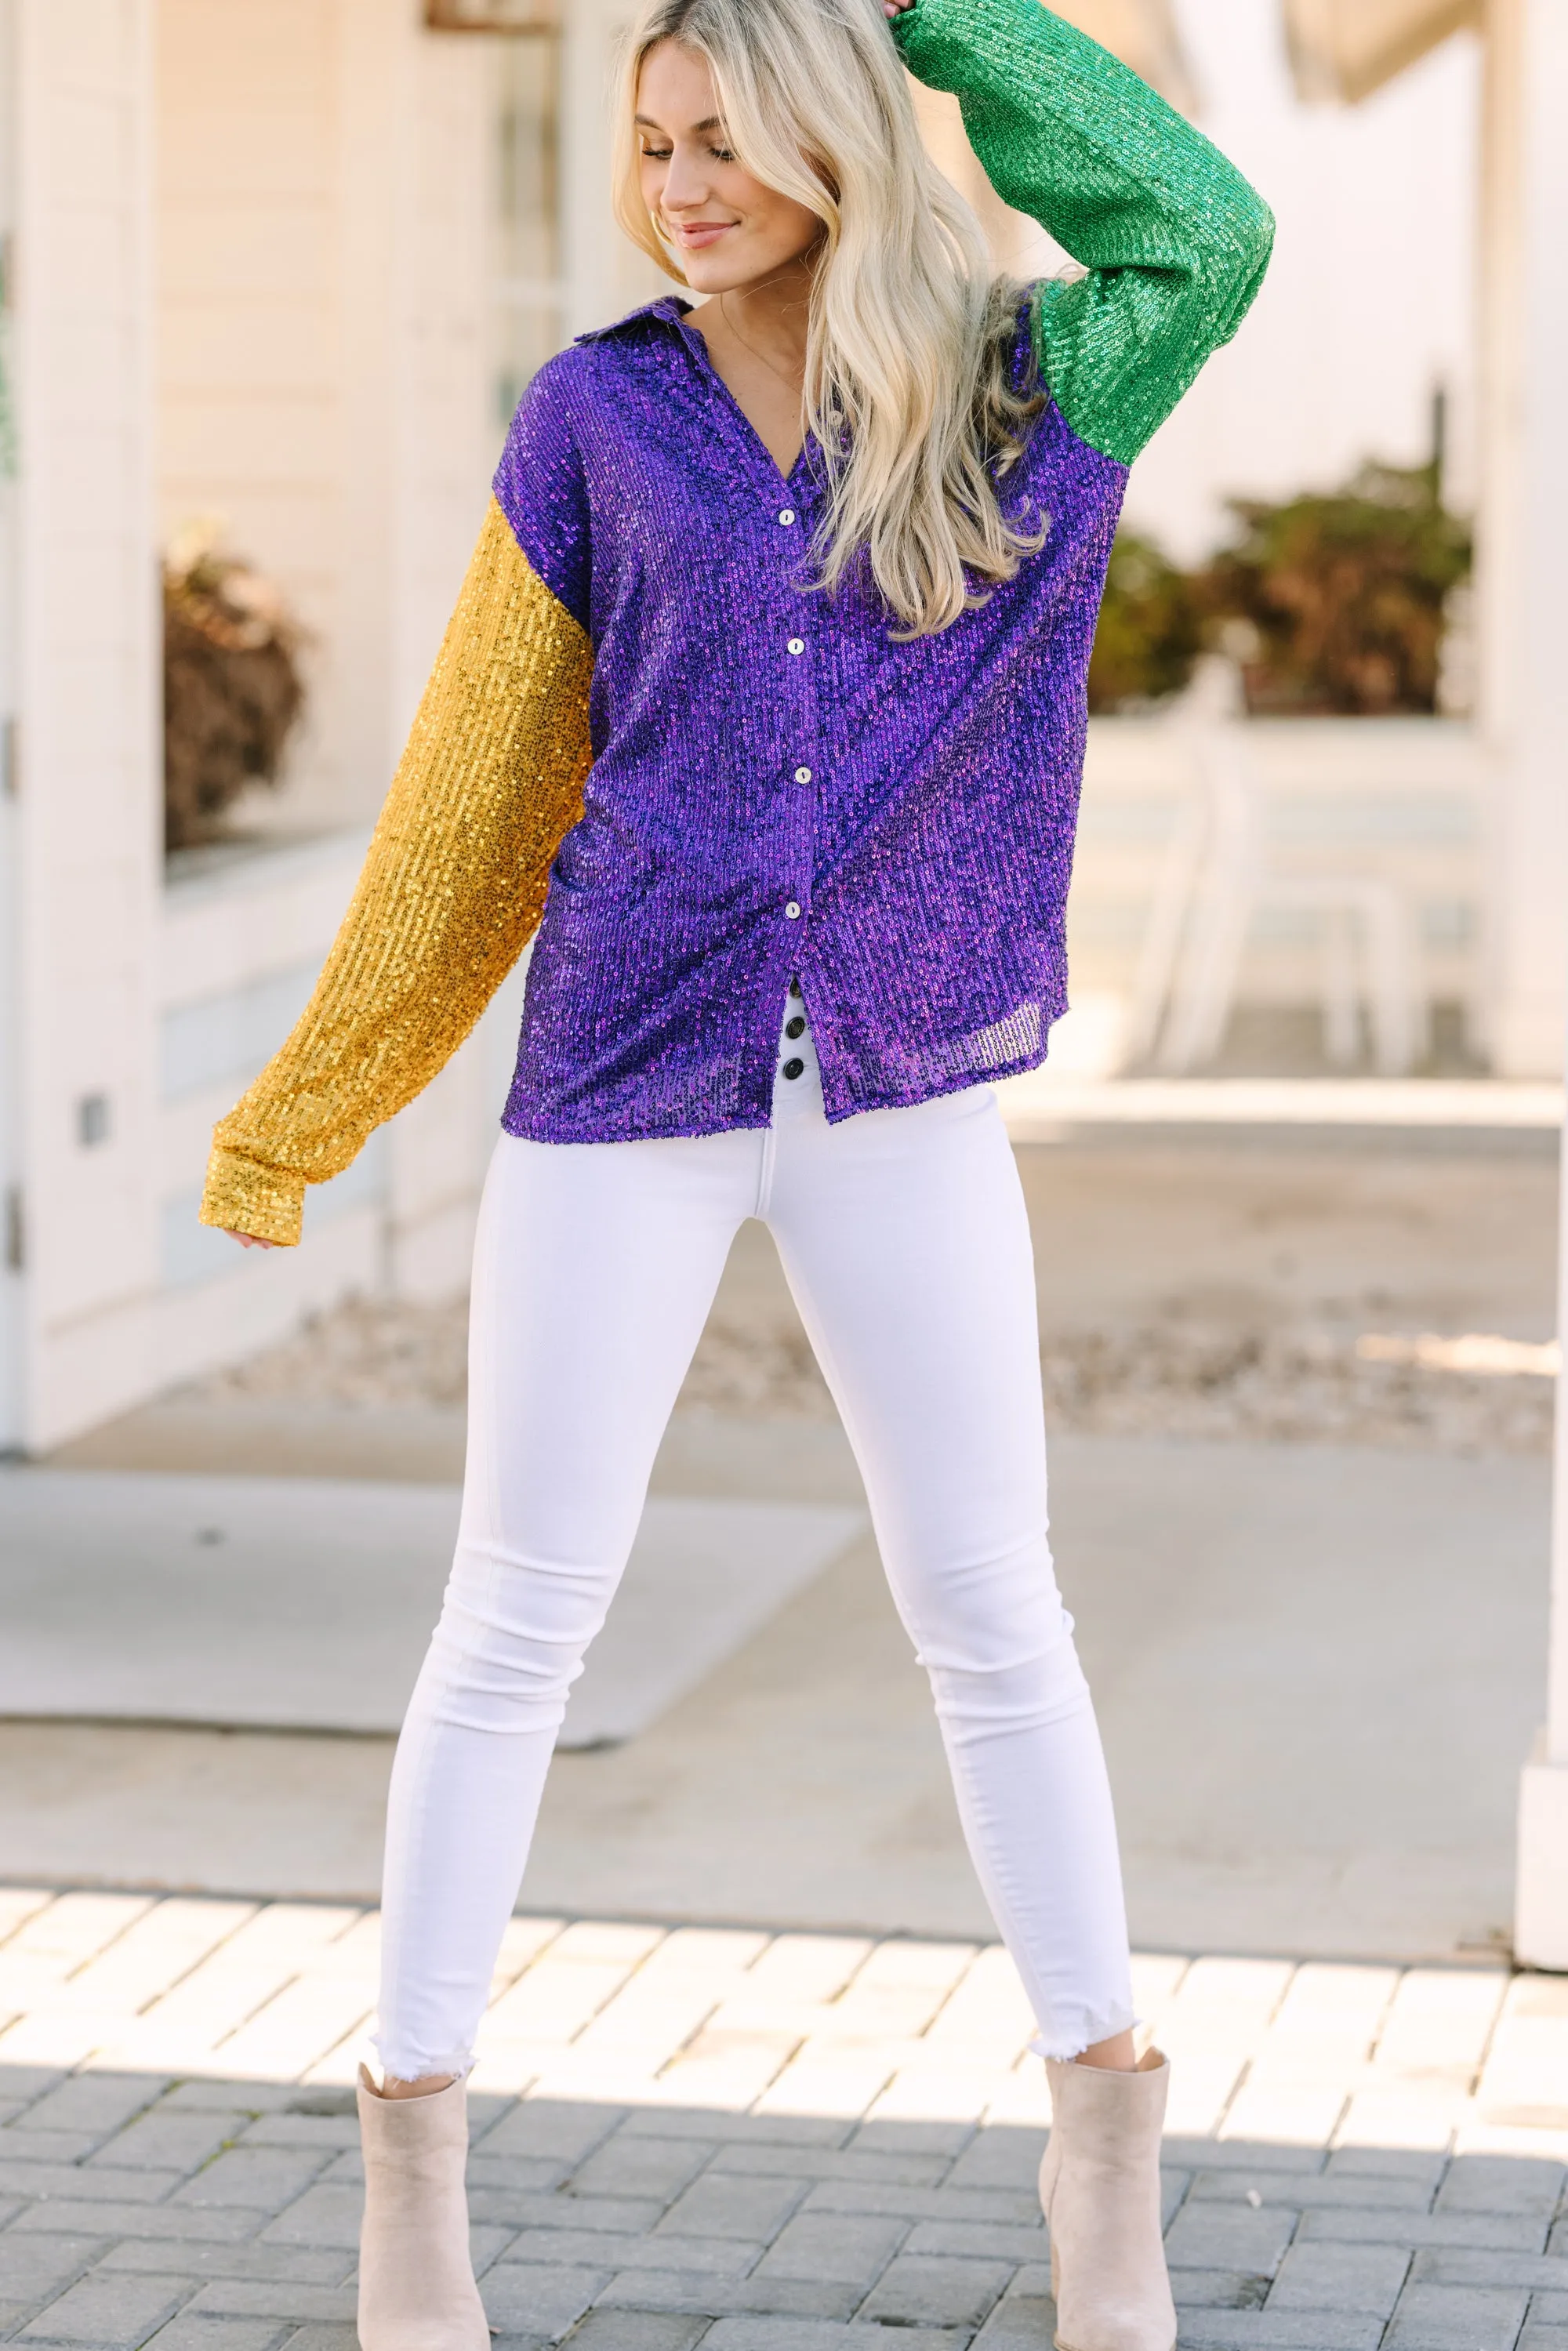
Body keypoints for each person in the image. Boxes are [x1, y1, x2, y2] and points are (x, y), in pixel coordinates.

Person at [203, 0, 1271, 2339]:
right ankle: (410, 2188)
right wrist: (314, 1099)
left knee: (995, 1613)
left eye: (725, 136)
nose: (680, 183)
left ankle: (1106, 2160)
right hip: (626, 1072)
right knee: (515, 1618)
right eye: (653, 141)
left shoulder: (1018, 387)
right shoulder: (596, 413)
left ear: (829, 137)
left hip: (900, 1084)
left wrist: (941, 25)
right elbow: (479, 789)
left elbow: (1210, 228)